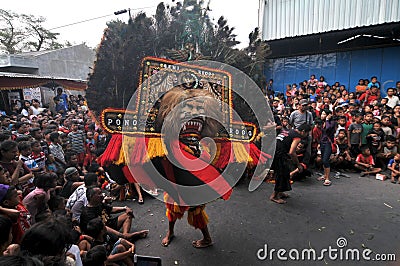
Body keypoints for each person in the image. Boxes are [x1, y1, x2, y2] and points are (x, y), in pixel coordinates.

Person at [79, 186, 148, 240]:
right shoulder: (88, 213)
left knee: (128, 215)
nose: (102, 195)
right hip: (101, 232)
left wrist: (125, 208)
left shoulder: (98, 203)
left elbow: (111, 209)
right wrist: (120, 235)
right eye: (99, 194)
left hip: (109, 223)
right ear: (92, 197)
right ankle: (125, 237)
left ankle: (126, 235)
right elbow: (103, 227)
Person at [270, 123, 311, 203]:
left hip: (273, 151)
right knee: (281, 175)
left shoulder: (288, 131)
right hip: (279, 154)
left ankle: (280, 192)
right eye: (307, 133)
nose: (306, 135)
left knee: (285, 173)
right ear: (303, 131)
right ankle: (274, 196)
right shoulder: (297, 137)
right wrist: (298, 165)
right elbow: (292, 152)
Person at [317, 110, 337, 186]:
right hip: (322, 142)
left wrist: (328, 119)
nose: (322, 115)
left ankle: (327, 178)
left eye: (324, 114)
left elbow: (328, 129)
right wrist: (319, 143)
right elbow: (322, 134)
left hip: (328, 143)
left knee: (326, 160)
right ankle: (325, 175)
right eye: (322, 114)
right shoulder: (322, 122)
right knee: (323, 159)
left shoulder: (332, 122)